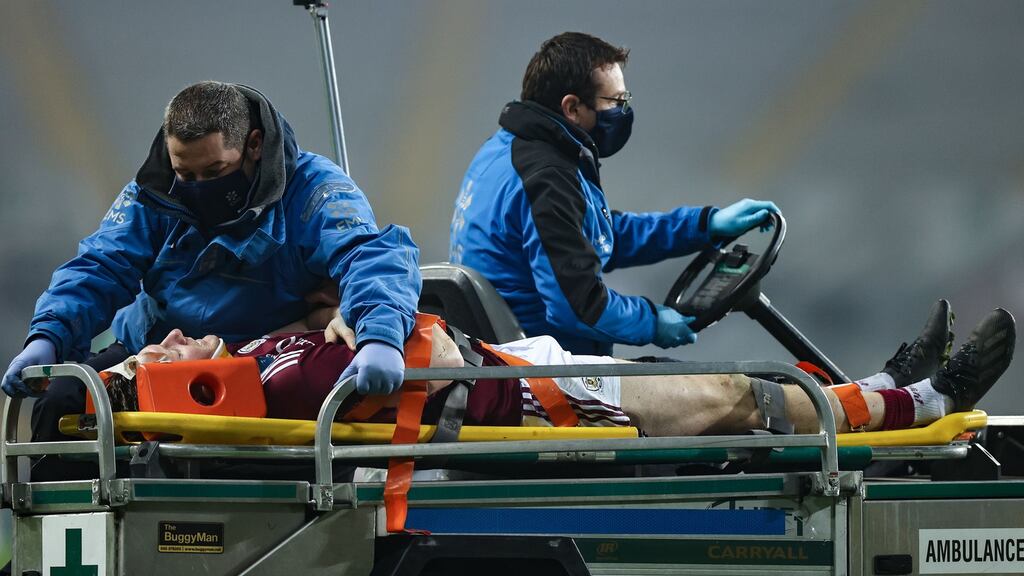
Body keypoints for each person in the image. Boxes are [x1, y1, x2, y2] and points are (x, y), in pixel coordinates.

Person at [2, 81, 421, 445]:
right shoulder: (156, 190)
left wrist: (380, 335)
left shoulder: (314, 190)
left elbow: (370, 255)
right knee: (62, 403)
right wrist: (49, 335)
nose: (198, 187)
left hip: (259, 361)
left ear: (253, 145)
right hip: (153, 352)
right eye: (186, 174)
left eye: (215, 171)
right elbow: (101, 264)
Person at [100, 301, 1015, 438]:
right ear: (180, 385)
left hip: (525, 365)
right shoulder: (284, 387)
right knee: (737, 395)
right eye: (160, 355)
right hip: (542, 404)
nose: (172, 338)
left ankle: (884, 385)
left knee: (706, 377)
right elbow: (428, 364)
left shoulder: (268, 352)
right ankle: (916, 404)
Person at [449, 31, 779, 356]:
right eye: (616, 101)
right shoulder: (547, 178)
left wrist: (705, 225)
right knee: (733, 396)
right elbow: (580, 306)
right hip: (545, 373)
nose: (623, 110)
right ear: (572, 108)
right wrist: (652, 322)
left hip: (515, 359)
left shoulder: (504, 150)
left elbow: (597, 237)